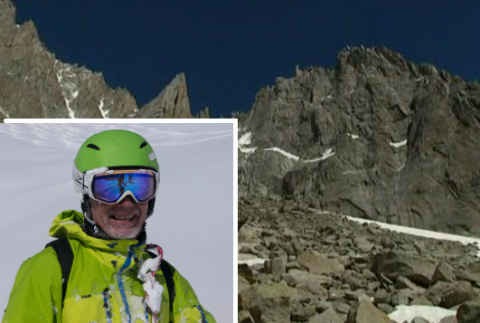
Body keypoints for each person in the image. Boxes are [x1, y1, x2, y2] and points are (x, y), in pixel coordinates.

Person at [2, 129, 216, 323]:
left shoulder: (167, 278)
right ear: (86, 194)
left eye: (140, 186)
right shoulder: (51, 268)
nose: (126, 201)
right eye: (109, 188)